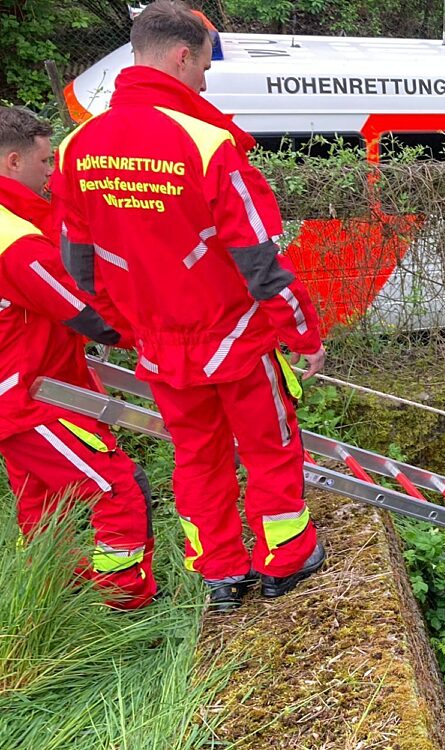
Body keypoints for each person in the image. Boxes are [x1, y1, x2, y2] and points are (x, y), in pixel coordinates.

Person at [52, 0, 328, 611]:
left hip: (160, 348)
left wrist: (125, 330)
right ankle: (286, 559)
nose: (205, 79)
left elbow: (79, 264)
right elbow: (260, 261)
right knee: (270, 447)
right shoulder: (207, 144)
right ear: (182, 55)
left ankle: (221, 574)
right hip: (235, 339)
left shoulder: (77, 148)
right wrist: (304, 333)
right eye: (204, 64)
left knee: (196, 461)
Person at [0, 106, 156, 609]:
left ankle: (54, 607)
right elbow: (84, 313)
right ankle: (125, 602)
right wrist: (158, 335)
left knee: (46, 513)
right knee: (118, 488)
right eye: (45, 162)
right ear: (14, 160)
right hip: (30, 397)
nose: (51, 172)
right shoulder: (16, 243)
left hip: (26, 389)